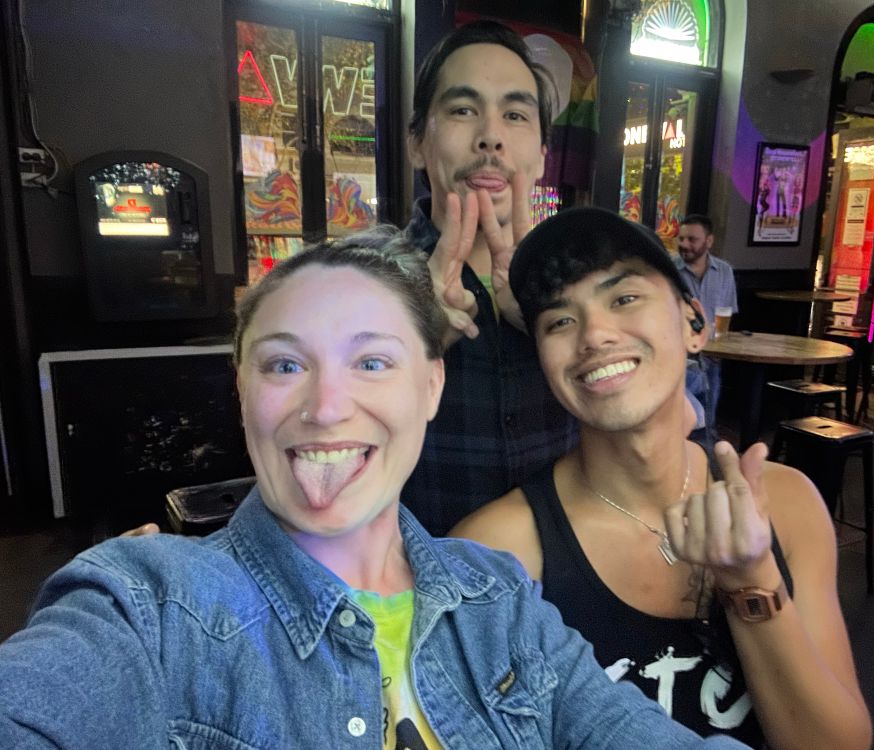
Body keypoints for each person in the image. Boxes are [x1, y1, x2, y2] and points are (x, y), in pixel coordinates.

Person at [0, 230, 749, 749]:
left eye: (372, 363)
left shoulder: (499, 601)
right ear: (241, 393)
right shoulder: (150, 604)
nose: (325, 407)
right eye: (285, 365)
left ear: (431, 386)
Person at [452, 207, 872, 750]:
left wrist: (749, 579)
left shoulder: (787, 504)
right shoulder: (496, 552)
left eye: (623, 298)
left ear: (694, 324)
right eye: (560, 320)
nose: (595, 335)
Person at [400, 20, 578, 536]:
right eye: (462, 109)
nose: (491, 138)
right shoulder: (358, 283)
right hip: (414, 591)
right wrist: (412, 343)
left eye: (516, 115)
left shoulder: (583, 285)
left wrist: (554, 325)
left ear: (543, 156)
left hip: (562, 600)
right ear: (416, 143)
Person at [675, 214, 738, 435]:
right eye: (681, 238)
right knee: (688, 422)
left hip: (712, 356)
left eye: (692, 239)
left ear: (708, 241)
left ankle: (706, 448)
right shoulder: (669, 270)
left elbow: (728, 312)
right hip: (679, 356)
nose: (684, 244)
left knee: (707, 423)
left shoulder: (724, 271)